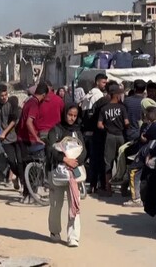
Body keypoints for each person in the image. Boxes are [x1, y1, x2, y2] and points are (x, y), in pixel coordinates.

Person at [47, 104, 86, 247]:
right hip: (58, 172)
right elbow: (50, 150)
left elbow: (84, 151)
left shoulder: (77, 131)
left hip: (73, 173)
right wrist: (64, 159)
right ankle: (55, 231)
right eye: (70, 115)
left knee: (75, 204)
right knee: (56, 205)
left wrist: (75, 162)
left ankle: (73, 237)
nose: (72, 118)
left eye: (75, 116)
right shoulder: (55, 130)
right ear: (64, 114)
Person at [16, 81, 49, 202]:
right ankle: (31, 193)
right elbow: (29, 122)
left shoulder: (29, 101)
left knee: (26, 167)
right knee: (33, 167)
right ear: (44, 94)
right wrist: (36, 138)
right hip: (28, 140)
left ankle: (27, 194)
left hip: (22, 138)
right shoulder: (34, 104)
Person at [97, 84, 129, 196]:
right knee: (121, 162)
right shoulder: (122, 108)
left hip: (109, 136)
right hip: (120, 136)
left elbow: (99, 125)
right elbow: (126, 123)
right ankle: (123, 189)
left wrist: (107, 127)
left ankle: (108, 189)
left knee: (108, 163)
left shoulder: (104, 108)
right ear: (115, 95)